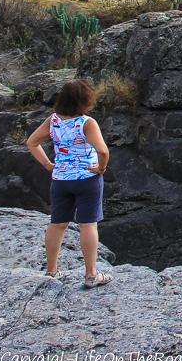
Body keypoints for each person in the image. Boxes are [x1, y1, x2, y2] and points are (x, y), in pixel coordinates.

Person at [26, 78, 112, 288]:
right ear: (84, 101)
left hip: (61, 180)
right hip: (86, 179)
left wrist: (48, 164)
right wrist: (101, 168)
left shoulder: (53, 121)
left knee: (57, 224)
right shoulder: (87, 123)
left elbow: (32, 142)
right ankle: (91, 275)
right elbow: (102, 151)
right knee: (88, 224)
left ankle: (51, 271)